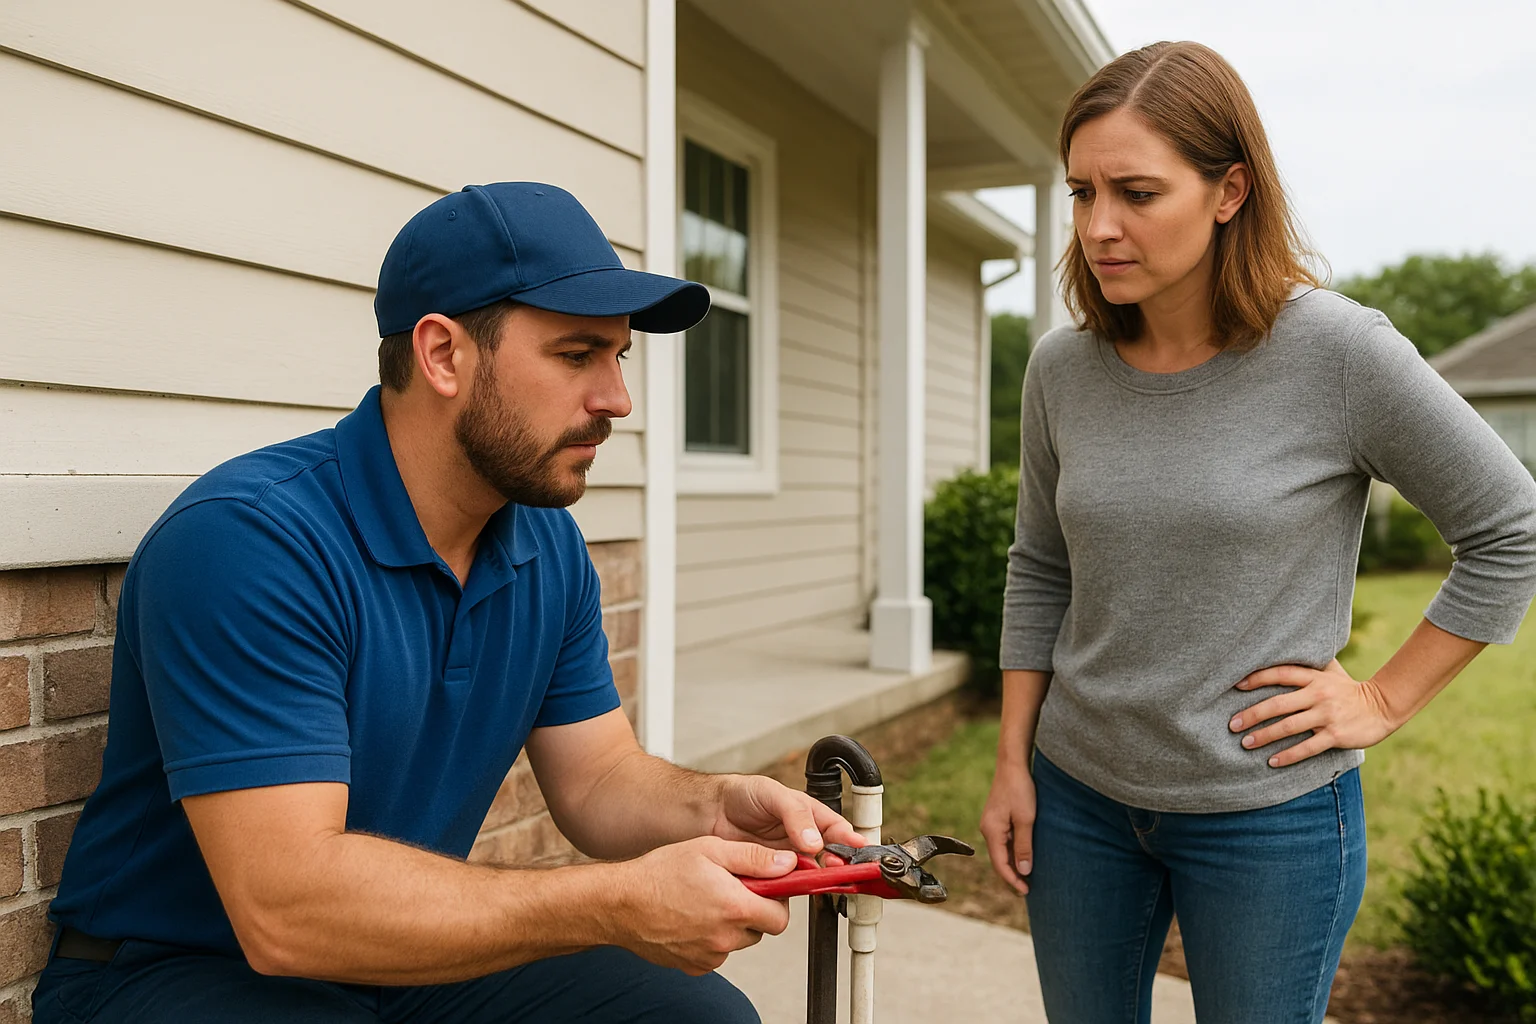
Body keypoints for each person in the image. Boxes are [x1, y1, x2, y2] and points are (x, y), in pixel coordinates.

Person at [33, 182, 864, 1024]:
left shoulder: (544, 546)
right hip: (181, 974)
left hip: (401, 959)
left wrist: (713, 806)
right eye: (577, 355)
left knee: (702, 1019)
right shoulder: (250, 541)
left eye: (619, 358)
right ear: (442, 355)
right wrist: (612, 902)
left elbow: (599, 779)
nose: (617, 399)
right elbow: (285, 911)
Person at [978, 41, 1536, 1024]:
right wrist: (1014, 762)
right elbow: (1039, 567)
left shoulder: (1338, 351)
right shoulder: (1061, 368)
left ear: (1229, 189)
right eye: (1080, 192)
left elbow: (1510, 527)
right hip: (1078, 800)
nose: (1099, 226)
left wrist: (1381, 700)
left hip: (1269, 820)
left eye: (1136, 193)